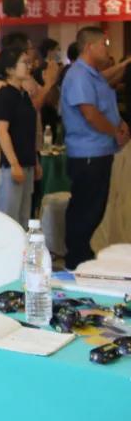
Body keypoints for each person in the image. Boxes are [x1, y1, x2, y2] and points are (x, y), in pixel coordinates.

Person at [60, 27, 129, 268]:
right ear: (90, 47)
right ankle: (76, 258)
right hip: (87, 153)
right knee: (85, 208)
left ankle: (82, 253)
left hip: (99, 151)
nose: (107, 50)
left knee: (94, 207)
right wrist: (115, 132)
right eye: (104, 44)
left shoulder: (94, 74)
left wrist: (120, 124)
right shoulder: (79, 75)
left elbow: (106, 100)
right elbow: (90, 114)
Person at [0, 47, 40, 228]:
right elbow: (2, 131)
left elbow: (28, 131)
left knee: (23, 218)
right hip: (10, 166)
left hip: (26, 163)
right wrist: (14, 163)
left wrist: (35, 161)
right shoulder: (4, 95)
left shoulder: (24, 95)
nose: (29, 66)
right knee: (8, 219)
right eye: (24, 63)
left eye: (29, 62)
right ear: (9, 69)